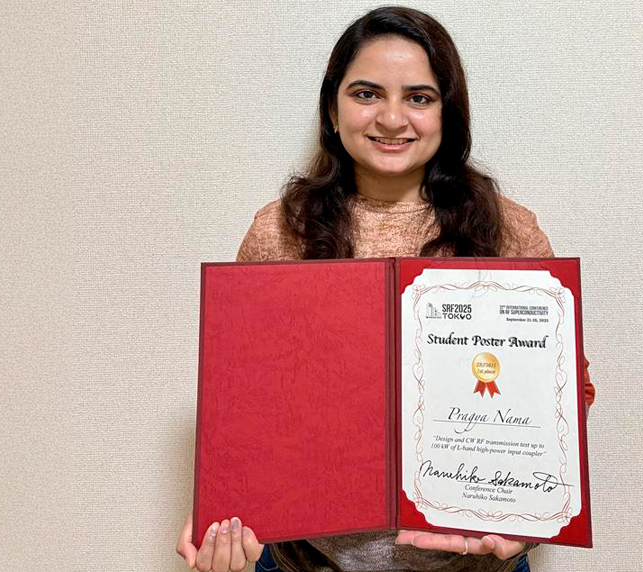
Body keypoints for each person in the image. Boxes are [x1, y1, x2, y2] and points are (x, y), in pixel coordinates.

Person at [176, 6, 595, 572]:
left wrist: (531, 520)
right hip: (309, 563)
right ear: (332, 106)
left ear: (449, 111)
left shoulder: (508, 229)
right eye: (367, 93)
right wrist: (223, 509)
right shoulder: (280, 230)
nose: (392, 118)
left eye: (419, 97)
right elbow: (244, 401)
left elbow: (570, 392)